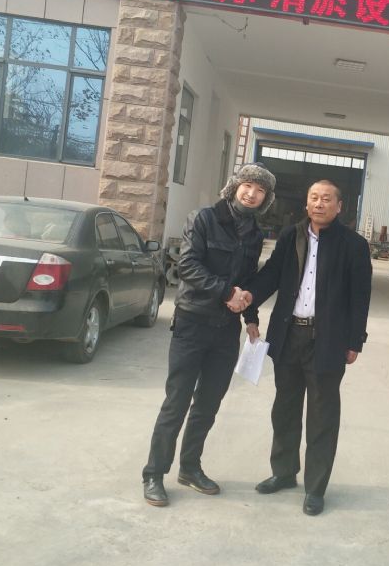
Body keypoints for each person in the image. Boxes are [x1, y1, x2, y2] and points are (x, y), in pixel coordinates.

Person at [141, 163, 276, 507]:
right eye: (248, 186)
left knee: (208, 404)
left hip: (226, 330)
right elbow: (187, 265)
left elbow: (246, 278)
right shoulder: (204, 218)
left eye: (260, 190)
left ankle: (190, 468)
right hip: (193, 322)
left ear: (266, 199)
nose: (252, 194)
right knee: (177, 401)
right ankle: (154, 474)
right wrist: (226, 292)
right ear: (235, 186)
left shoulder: (255, 233)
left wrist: (250, 317)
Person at [243, 180, 372, 516]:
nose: (319, 203)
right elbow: (271, 275)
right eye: (314, 197)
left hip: (327, 341)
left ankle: (315, 488)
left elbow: (360, 297)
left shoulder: (354, 245)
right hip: (289, 335)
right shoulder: (291, 236)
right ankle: (284, 472)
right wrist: (248, 300)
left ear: (339, 206)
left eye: (326, 199)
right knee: (284, 409)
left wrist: (354, 341)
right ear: (306, 203)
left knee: (322, 415)